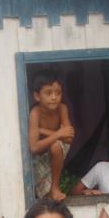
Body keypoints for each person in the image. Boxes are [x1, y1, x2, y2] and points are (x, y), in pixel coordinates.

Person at [28, 70, 75, 201]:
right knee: (43, 196)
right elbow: (34, 147)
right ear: (37, 96)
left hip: (57, 150)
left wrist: (43, 131)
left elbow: (69, 138)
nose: (54, 97)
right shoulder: (35, 113)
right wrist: (59, 133)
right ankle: (50, 194)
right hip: (40, 154)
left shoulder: (62, 108)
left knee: (55, 146)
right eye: (48, 93)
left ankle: (55, 188)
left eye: (58, 93)